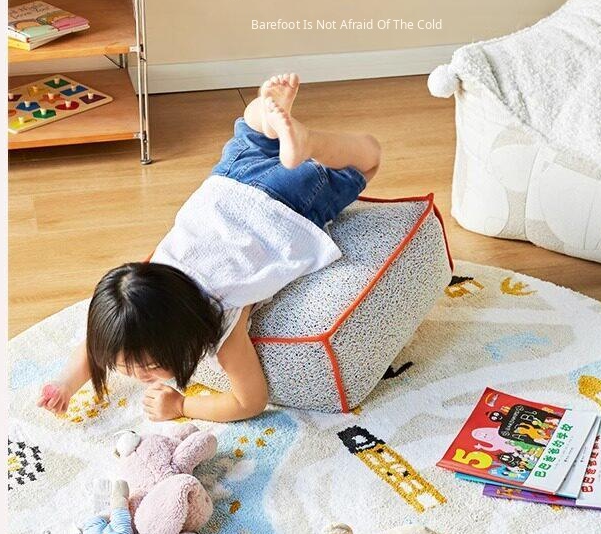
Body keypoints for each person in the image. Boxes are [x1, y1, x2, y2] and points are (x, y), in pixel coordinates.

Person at [38, 74, 381, 423]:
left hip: (285, 205)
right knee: (250, 129)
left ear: (181, 336)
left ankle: (309, 142)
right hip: (229, 181)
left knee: (370, 157)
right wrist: (65, 384)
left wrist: (181, 405)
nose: (139, 377)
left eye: (151, 367)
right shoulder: (149, 276)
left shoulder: (221, 324)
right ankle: (264, 114)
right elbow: (98, 343)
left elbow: (250, 400)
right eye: (126, 367)